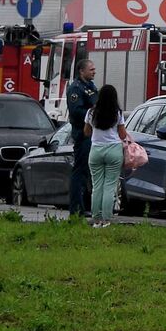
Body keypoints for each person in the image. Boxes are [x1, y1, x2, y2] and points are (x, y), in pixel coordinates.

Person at [84, 84, 132, 228]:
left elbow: (86, 132)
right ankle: (106, 219)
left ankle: (96, 219)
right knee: (110, 186)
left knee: (97, 185)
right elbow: (122, 134)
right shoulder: (117, 113)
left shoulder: (91, 112)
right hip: (113, 151)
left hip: (96, 150)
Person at [65, 57, 98, 219]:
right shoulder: (76, 89)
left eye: (94, 69)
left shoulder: (91, 86)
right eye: (91, 69)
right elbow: (76, 112)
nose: (94, 71)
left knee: (89, 173)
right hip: (83, 135)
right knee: (80, 172)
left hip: (94, 135)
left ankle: (87, 205)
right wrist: (93, 113)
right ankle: (76, 208)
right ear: (81, 71)